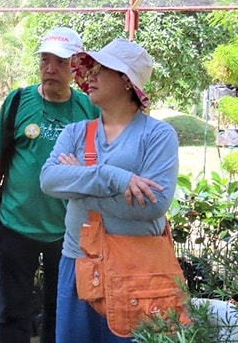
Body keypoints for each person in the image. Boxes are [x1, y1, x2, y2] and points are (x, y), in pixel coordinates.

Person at [40, 39, 178, 342]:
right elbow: (49, 180)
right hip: (78, 264)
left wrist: (78, 185)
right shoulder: (75, 132)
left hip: (138, 273)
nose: (90, 77)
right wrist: (114, 177)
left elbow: (152, 205)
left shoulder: (158, 135)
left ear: (126, 81)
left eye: (101, 69)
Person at [0, 27, 100, 343]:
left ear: (76, 65)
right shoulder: (18, 101)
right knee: (12, 313)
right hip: (16, 225)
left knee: (59, 311)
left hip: (68, 232)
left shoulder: (89, 109)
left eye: (60, 62)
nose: (50, 68)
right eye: (45, 60)